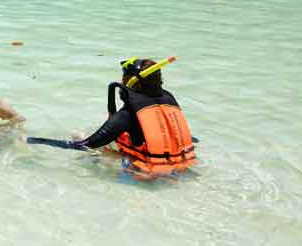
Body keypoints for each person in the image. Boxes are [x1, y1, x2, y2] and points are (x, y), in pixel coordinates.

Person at [27, 58, 196, 178]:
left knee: (78, 136)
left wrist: (35, 141)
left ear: (130, 82)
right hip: (180, 166)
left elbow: (86, 145)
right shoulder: (166, 103)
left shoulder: (127, 115)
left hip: (145, 173)